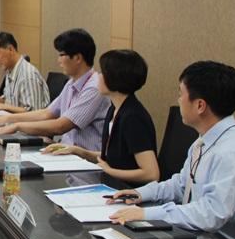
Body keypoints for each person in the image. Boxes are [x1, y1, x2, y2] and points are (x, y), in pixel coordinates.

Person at [108, 61, 235, 230]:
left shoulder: (230, 151)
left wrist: (148, 214)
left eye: (180, 94)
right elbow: (182, 185)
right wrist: (141, 193)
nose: (179, 100)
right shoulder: (203, 141)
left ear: (200, 105)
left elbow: (211, 214)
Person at [42, 49, 158, 186]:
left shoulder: (133, 117)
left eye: (103, 73)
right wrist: (77, 151)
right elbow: (112, 158)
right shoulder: (114, 109)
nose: (98, 76)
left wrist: (110, 171)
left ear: (115, 78)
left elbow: (151, 174)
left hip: (129, 192)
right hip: (112, 187)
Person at [0, 28, 109, 152]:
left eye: (61, 55)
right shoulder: (71, 83)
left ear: (77, 58)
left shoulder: (93, 88)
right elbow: (47, 113)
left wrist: (17, 125)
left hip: (84, 159)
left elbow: (61, 126)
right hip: (64, 151)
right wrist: (8, 119)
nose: (58, 61)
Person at [0, 32, 50, 113]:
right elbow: (9, 100)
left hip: (25, 121)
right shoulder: (10, 70)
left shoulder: (28, 76)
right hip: (13, 119)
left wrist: (2, 106)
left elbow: (33, 112)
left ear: (10, 49)